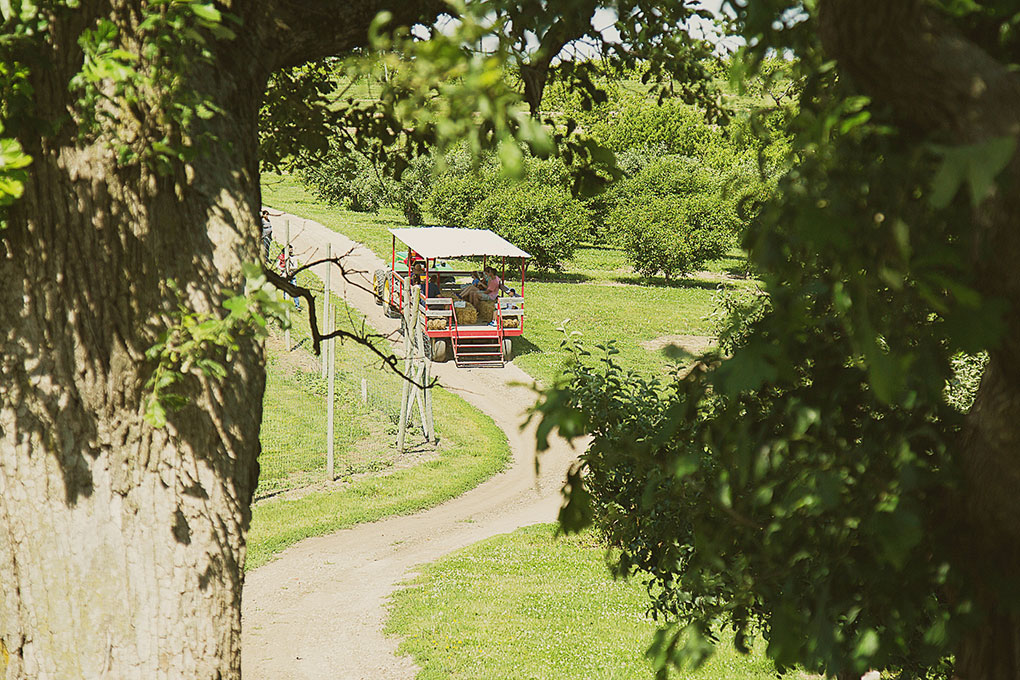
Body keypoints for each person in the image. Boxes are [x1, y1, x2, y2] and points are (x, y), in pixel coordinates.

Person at [277, 244, 301, 311]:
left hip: (292, 275)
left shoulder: (293, 258)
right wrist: (284, 268)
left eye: (292, 249)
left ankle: (297, 305)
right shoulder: (282, 257)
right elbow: (277, 265)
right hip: (284, 275)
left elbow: (296, 267)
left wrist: (290, 268)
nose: (292, 250)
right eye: (290, 249)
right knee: (285, 290)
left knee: (294, 289)